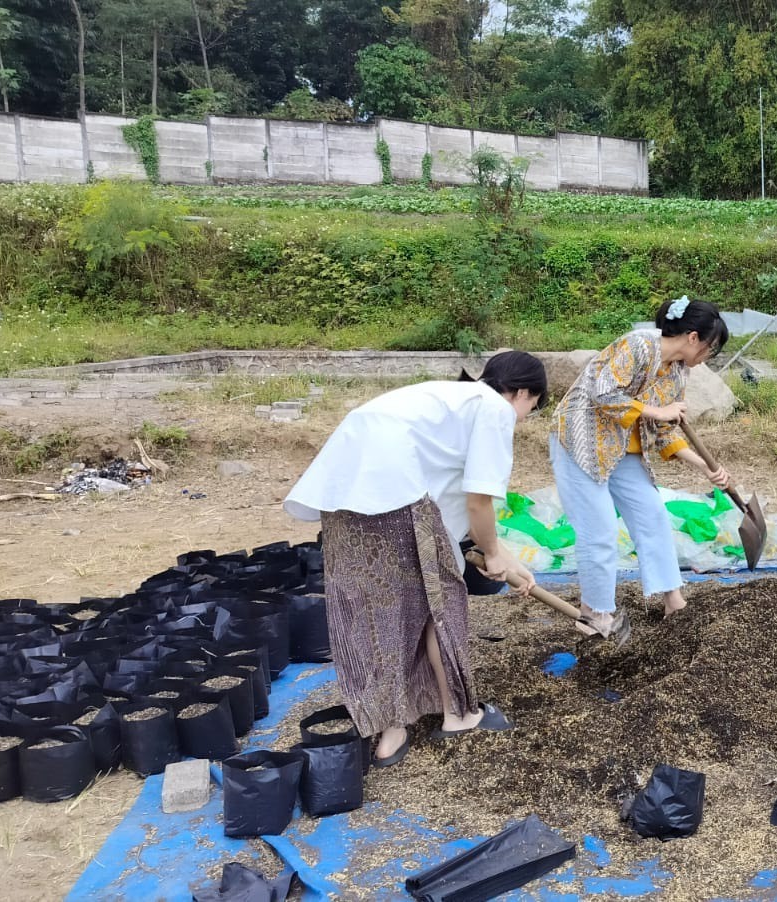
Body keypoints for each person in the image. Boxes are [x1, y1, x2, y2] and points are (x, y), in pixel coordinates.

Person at [284, 351, 546, 768]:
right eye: (533, 406)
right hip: (395, 502)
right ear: (523, 392)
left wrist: (503, 557)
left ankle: (392, 728)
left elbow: (449, 507)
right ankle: (460, 714)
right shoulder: (494, 409)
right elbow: (479, 500)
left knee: (381, 613)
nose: (526, 416)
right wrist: (493, 554)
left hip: (346, 500)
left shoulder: (446, 402)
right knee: (437, 603)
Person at [551, 296, 731, 634]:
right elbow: (603, 393)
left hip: (623, 449)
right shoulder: (638, 345)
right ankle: (595, 616)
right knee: (599, 530)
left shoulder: (677, 374)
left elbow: (665, 432)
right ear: (693, 338)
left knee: (653, 513)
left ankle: (673, 600)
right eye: (711, 347)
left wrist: (704, 467)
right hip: (582, 442)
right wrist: (657, 411)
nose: (709, 356)